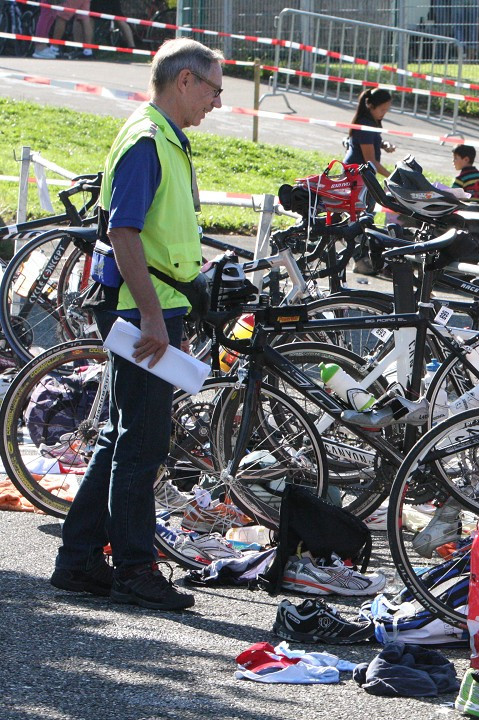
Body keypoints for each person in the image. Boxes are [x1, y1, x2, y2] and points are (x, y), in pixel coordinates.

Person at [50, 38, 225, 611]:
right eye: (214, 89)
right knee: (142, 444)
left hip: (151, 305)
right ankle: (133, 569)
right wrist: (151, 314)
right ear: (185, 81)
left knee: (121, 437)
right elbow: (123, 232)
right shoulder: (149, 140)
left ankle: (78, 561)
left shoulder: (160, 134)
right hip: (141, 309)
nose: (216, 102)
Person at [344, 88, 397, 178]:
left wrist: (383, 144)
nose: (384, 113)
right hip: (355, 174)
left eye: (386, 110)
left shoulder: (370, 121)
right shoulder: (365, 126)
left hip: (361, 173)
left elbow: (370, 141)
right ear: (371, 106)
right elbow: (370, 161)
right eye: (382, 110)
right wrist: (392, 177)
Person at [451, 144, 479, 214]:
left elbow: (453, 198)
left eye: (455, 158)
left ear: (466, 159)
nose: (453, 161)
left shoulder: (461, 179)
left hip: (466, 215)